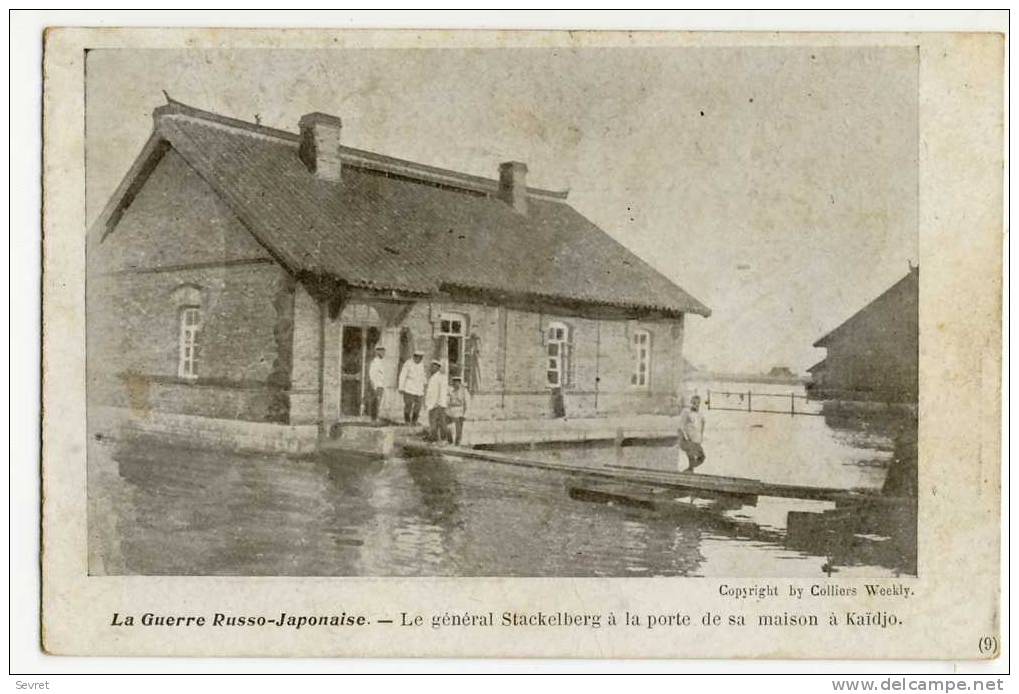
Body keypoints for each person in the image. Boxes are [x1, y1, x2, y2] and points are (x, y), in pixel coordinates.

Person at [678, 395, 706, 473]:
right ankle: (689, 470)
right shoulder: (686, 412)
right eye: (694, 403)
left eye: (697, 403)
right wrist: (686, 438)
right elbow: (681, 426)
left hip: (697, 440)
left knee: (702, 457)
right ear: (691, 402)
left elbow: (703, 424)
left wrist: (701, 437)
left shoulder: (700, 414)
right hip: (689, 440)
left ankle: (689, 469)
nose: (695, 405)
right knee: (691, 457)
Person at [397, 349, 427, 424]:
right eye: (418, 357)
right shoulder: (408, 363)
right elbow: (402, 375)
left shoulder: (421, 365)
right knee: (408, 405)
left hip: (419, 389)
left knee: (418, 406)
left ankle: (414, 421)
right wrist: (401, 387)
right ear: (414, 357)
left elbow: (423, 375)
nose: (419, 359)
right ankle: (407, 421)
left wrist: (425, 383)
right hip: (409, 388)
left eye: (421, 358)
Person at [423, 359, 450, 443]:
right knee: (432, 422)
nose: (432, 368)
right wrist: (428, 403)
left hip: (438, 404)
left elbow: (442, 391)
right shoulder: (432, 378)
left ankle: (444, 438)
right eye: (431, 366)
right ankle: (433, 437)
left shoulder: (441, 377)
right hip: (432, 404)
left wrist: (439, 403)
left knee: (441, 422)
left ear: (438, 368)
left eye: (434, 367)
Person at [447, 377, 472, 446]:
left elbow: (468, 403)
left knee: (458, 429)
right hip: (451, 411)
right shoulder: (451, 390)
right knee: (446, 426)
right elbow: (448, 401)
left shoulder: (464, 391)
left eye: (457, 382)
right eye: (454, 382)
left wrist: (465, 414)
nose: (455, 384)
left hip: (459, 412)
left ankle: (457, 443)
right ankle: (449, 441)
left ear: (460, 383)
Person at [367, 345, 387, 422]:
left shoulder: (382, 362)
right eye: (382, 351)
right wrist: (374, 385)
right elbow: (372, 374)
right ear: (378, 352)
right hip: (376, 385)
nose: (383, 353)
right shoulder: (375, 362)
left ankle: (376, 417)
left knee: (379, 402)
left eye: (384, 351)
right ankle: (374, 418)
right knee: (375, 401)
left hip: (381, 385)